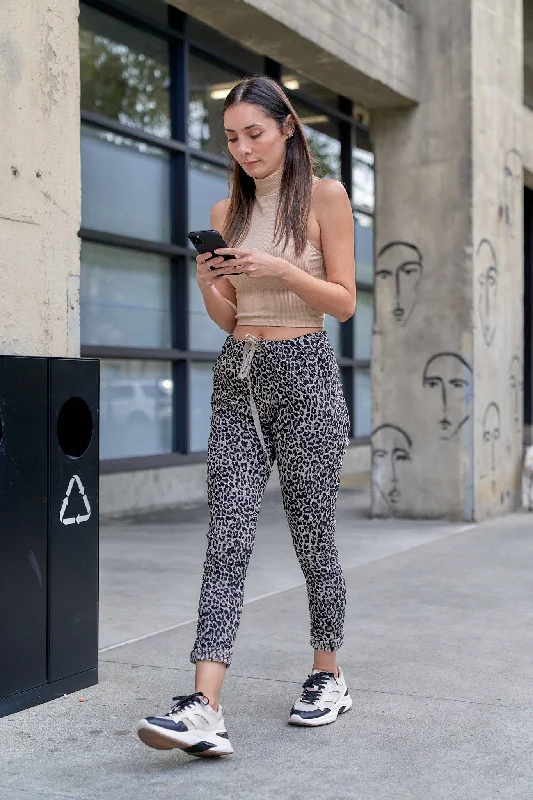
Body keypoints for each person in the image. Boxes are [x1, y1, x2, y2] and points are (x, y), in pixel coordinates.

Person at [137, 76, 356, 757]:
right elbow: (232, 317)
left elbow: (343, 301)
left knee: (311, 536)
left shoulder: (325, 197)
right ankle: (204, 704)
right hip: (237, 374)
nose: (243, 147)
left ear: (287, 127)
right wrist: (212, 285)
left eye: (253, 133)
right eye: (231, 137)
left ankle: (327, 674)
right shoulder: (224, 206)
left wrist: (281, 269)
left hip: (306, 376)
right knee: (225, 538)